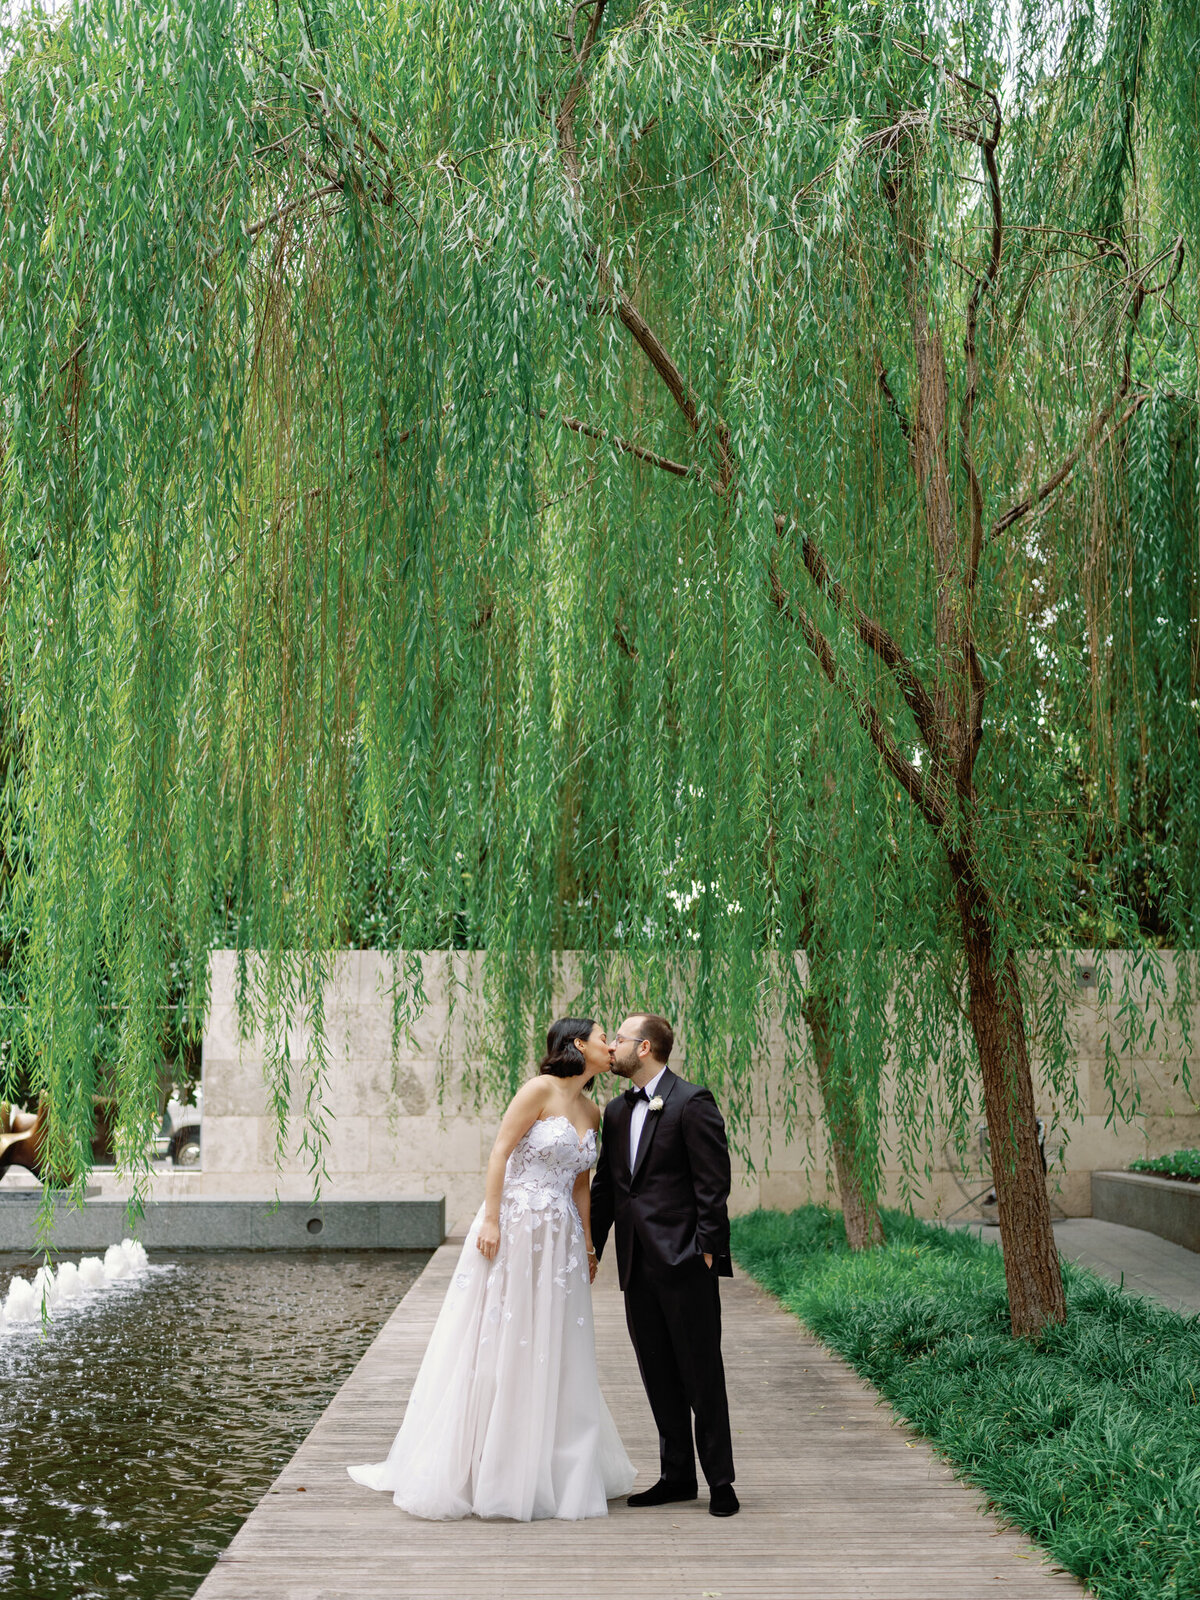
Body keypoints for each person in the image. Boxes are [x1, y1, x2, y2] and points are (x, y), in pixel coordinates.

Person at [347, 1017, 636, 1520]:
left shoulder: (593, 1109)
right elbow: (501, 1151)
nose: (611, 1045)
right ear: (578, 1045)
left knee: (555, 1339)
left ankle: (550, 1459)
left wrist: (588, 1245)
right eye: (603, 1037)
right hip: (517, 1227)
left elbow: (582, 1183)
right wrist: (493, 1220)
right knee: (502, 1332)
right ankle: (485, 1462)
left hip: (561, 1236)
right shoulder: (538, 1090)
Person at [590, 1012, 739, 1517]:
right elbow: (608, 1189)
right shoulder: (614, 1111)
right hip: (636, 1265)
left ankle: (721, 1482)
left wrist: (708, 1250)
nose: (612, 1048)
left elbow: (712, 1183)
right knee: (657, 1373)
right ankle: (676, 1477)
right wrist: (592, 1247)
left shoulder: (690, 1101)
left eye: (621, 1040)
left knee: (701, 1374)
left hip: (685, 1260)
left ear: (646, 1048)